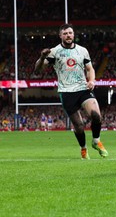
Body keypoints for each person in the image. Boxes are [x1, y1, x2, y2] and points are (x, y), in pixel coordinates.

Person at [34, 23, 108, 159]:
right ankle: (83, 148)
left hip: (83, 88)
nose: (68, 35)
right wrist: (42, 57)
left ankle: (96, 141)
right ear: (60, 35)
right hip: (66, 92)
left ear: (73, 34)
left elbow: (90, 69)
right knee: (79, 126)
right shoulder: (54, 52)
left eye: (70, 33)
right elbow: (37, 70)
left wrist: (92, 81)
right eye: (65, 33)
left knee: (96, 116)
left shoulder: (82, 50)